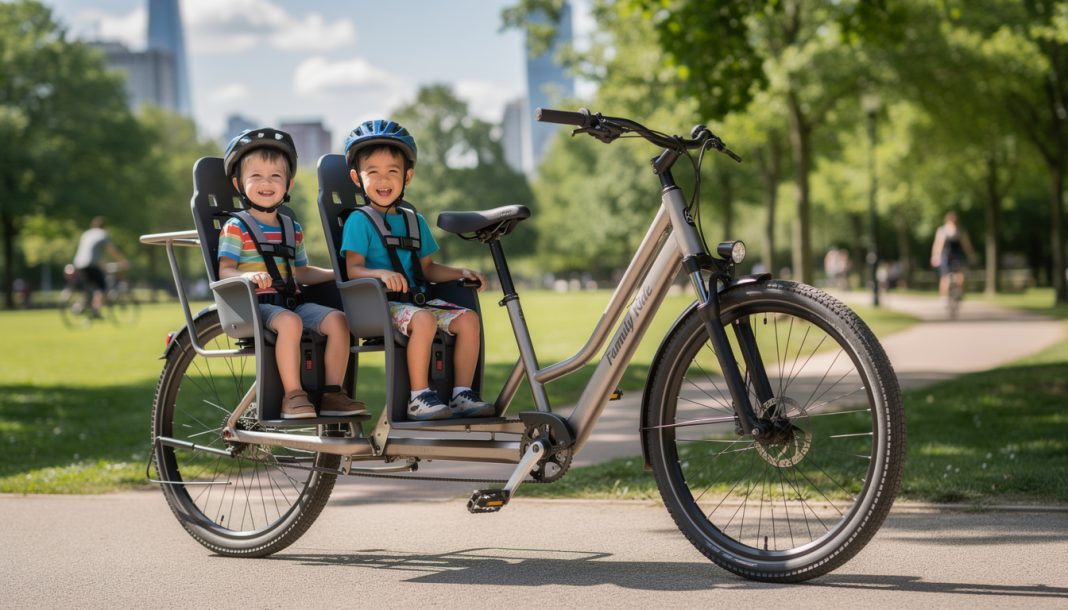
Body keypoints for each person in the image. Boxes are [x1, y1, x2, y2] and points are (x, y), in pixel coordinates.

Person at [340, 119, 494, 421]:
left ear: (407, 177)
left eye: (392, 172)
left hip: (415, 303)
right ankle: (418, 397)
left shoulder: (414, 221)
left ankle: (462, 394)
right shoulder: (359, 221)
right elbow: (353, 269)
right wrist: (381, 274)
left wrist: (460, 273)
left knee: (468, 320)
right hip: (380, 306)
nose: (383, 180)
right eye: (373, 172)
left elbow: (429, 269)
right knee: (423, 320)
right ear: (358, 178)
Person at [217, 127, 365, 420]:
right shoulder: (236, 227)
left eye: (275, 176)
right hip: (253, 305)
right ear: (239, 184)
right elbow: (225, 271)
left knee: (338, 321)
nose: (266, 183)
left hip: (290, 302)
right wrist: (248, 277)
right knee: (289, 322)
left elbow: (302, 272)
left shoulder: (290, 227)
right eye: (256, 176)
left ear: (289, 184)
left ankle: (332, 393)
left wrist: (337, 275)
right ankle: (293, 395)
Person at [72, 216, 127, 318]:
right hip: (91, 264)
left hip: (78, 263)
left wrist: (102, 264)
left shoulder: (86, 234)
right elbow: (112, 250)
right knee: (102, 287)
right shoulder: (102, 234)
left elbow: (91, 253)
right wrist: (122, 261)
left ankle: (81, 304)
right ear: (104, 226)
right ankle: (96, 311)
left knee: (89, 285)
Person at [930, 210, 977, 300]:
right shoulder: (942, 231)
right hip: (945, 254)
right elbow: (938, 245)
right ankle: (944, 296)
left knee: (960, 274)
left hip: (957, 254)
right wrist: (936, 256)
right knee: (945, 276)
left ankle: (959, 293)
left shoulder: (960, 231)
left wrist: (971, 255)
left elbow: (966, 245)